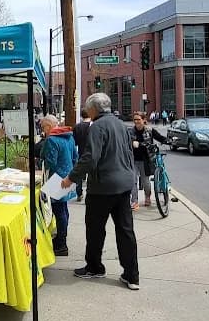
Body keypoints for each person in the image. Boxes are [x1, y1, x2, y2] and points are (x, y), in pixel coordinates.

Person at [61, 93, 140, 290]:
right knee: (125, 230)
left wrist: (71, 178)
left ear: (93, 109)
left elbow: (90, 158)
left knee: (95, 229)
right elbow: (129, 153)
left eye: (88, 108)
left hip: (103, 187)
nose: (87, 112)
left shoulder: (96, 127)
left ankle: (95, 267)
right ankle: (132, 275)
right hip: (123, 184)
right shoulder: (121, 125)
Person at [40, 115, 78, 257]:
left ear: (49, 126)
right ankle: (62, 239)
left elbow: (50, 162)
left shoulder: (51, 140)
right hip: (69, 176)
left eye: (43, 127)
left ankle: (61, 244)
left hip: (56, 179)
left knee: (59, 211)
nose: (43, 130)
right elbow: (75, 157)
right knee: (64, 209)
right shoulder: (68, 137)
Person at [129, 112, 168, 210]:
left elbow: (160, 138)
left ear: (143, 120)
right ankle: (134, 202)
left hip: (145, 159)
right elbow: (124, 141)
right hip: (133, 159)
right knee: (133, 181)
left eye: (138, 119)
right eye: (135, 120)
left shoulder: (150, 130)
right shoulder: (130, 131)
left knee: (145, 181)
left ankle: (147, 197)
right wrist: (131, 142)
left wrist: (168, 140)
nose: (136, 121)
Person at [72, 110, 91, 202]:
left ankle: (79, 193)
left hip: (80, 152)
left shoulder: (77, 127)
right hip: (91, 153)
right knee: (91, 175)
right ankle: (89, 194)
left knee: (79, 174)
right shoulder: (93, 126)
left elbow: (74, 142)